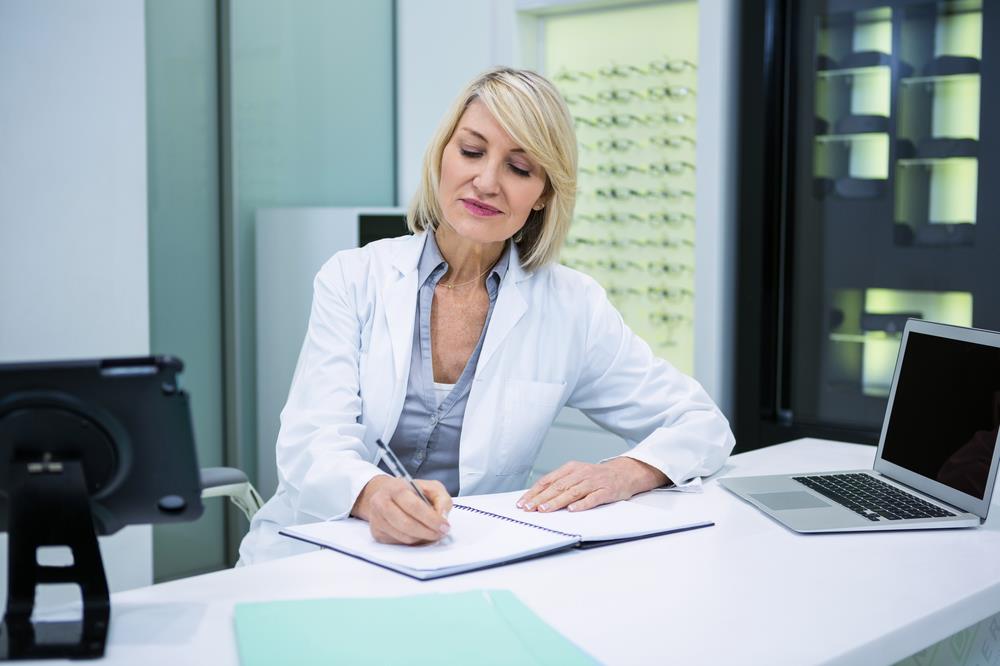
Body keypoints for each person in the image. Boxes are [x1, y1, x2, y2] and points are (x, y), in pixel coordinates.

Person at [238, 67, 735, 564]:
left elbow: (701, 423)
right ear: (442, 156)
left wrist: (626, 471)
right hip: (315, 550)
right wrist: (370, 494)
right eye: (472, 152)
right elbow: (311, 439)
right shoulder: (353, 277)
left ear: (543, 193)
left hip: (462, 561)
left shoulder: (573, 306)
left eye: (520, 169)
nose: (487, 182)